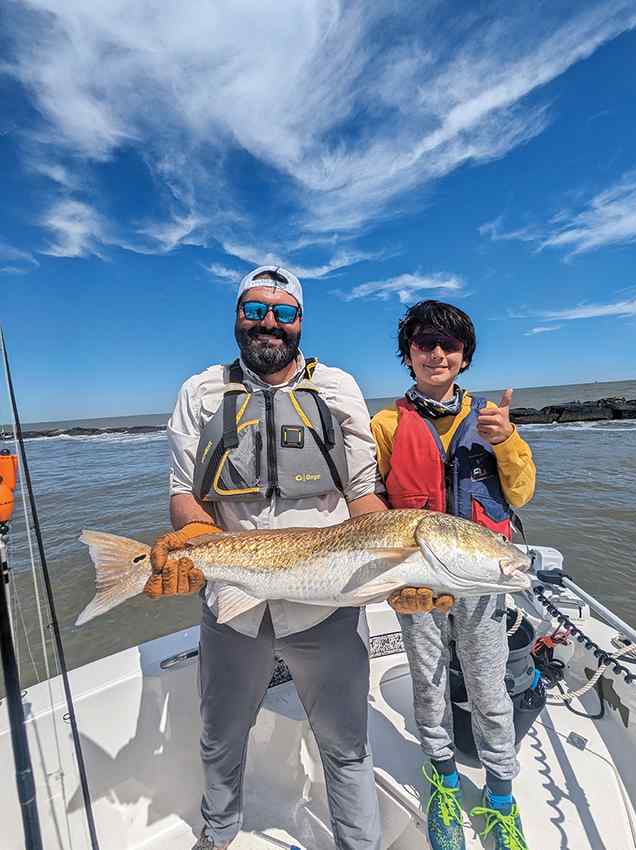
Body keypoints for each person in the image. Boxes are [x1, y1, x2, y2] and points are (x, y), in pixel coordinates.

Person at [145, 265, 393, 850]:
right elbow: (184, 492)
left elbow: (363, 493)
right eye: (255, 310)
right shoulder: (200, 393)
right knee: (220, 736)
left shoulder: (336, 389)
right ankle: (219, 833)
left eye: (284, 313)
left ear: (301, 322)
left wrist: (398, 563)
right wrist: (193, 539)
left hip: (328, 606)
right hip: (235, 605)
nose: (269, 324)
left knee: (347, 746)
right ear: (236, 316)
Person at [371, 300, 536, 850]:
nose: (436, 353)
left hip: (481, 580)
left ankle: (500, 798)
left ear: (464, 357)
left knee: (491, 690)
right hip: (415, 578)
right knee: (429, 681)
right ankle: (442, 780)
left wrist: (506, 440)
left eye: (449, 345)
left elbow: (522, 492)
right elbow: (367, 498)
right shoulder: (386, 424)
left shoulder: (491, 419)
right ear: (408, 355)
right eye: (423, 343)